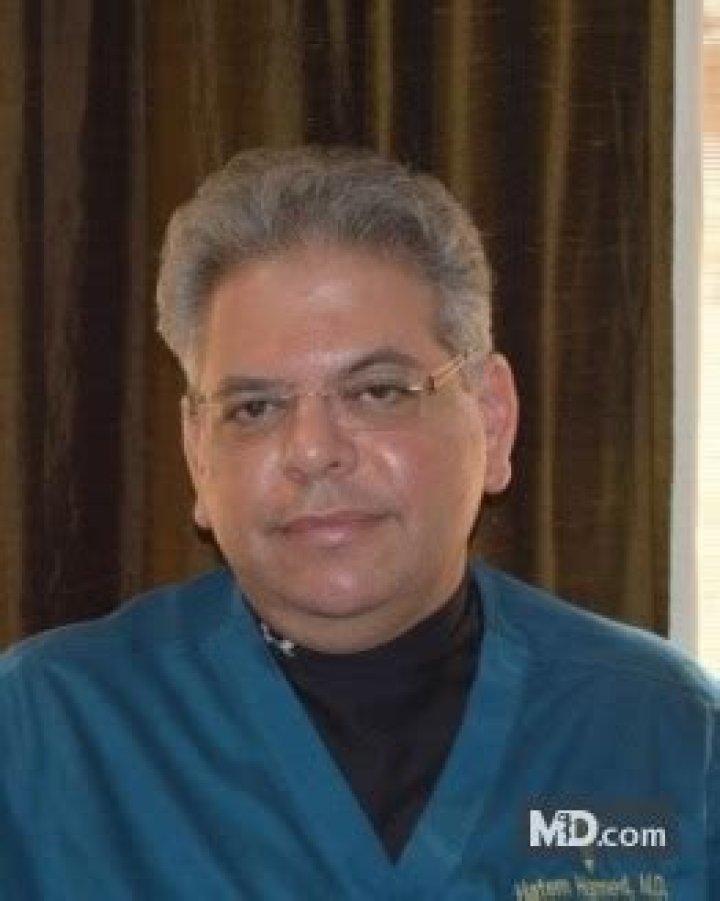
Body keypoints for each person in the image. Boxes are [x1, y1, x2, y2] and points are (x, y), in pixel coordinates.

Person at [1, 147, 717, 899]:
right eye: (254, 407)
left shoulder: (664, 731)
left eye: (378, 392)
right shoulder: (44, 737)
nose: (313, 452)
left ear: (492, 419)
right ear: (197, 456)